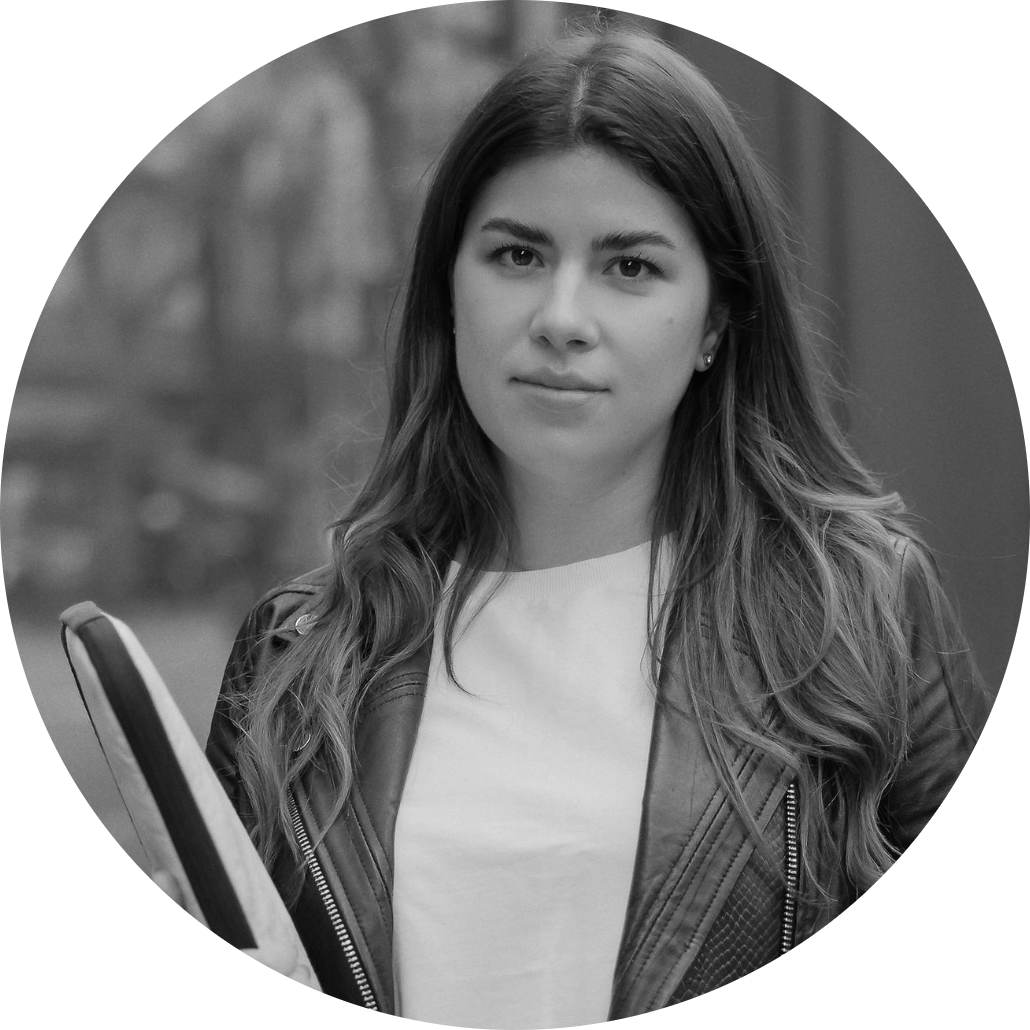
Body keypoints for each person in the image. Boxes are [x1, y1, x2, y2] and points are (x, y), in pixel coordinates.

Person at [205, 17, 990, 1027]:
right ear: (450, 292)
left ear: (715, 322)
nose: (561, 318)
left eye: (630, 267)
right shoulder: (301, 652)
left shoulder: (857, 611)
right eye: (517, 254)